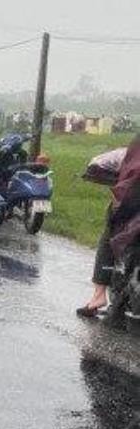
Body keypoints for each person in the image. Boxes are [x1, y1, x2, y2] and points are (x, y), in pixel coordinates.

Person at [77, 134, 140, 317]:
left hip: (129, 202)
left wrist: (116, 184)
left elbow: (97, 165)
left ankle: (98, 295)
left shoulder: (129, 152)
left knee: (109, 235)